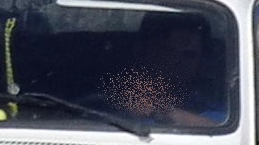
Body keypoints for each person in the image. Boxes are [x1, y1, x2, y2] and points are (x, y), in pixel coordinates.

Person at [97, 13, 226, 127]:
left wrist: (161, 112)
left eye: (189, 55)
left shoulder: (219, 102)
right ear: (141, 51)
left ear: (201, 61)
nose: (177, 62)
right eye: (167, 52)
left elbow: (224, 136)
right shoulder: (105, 95)